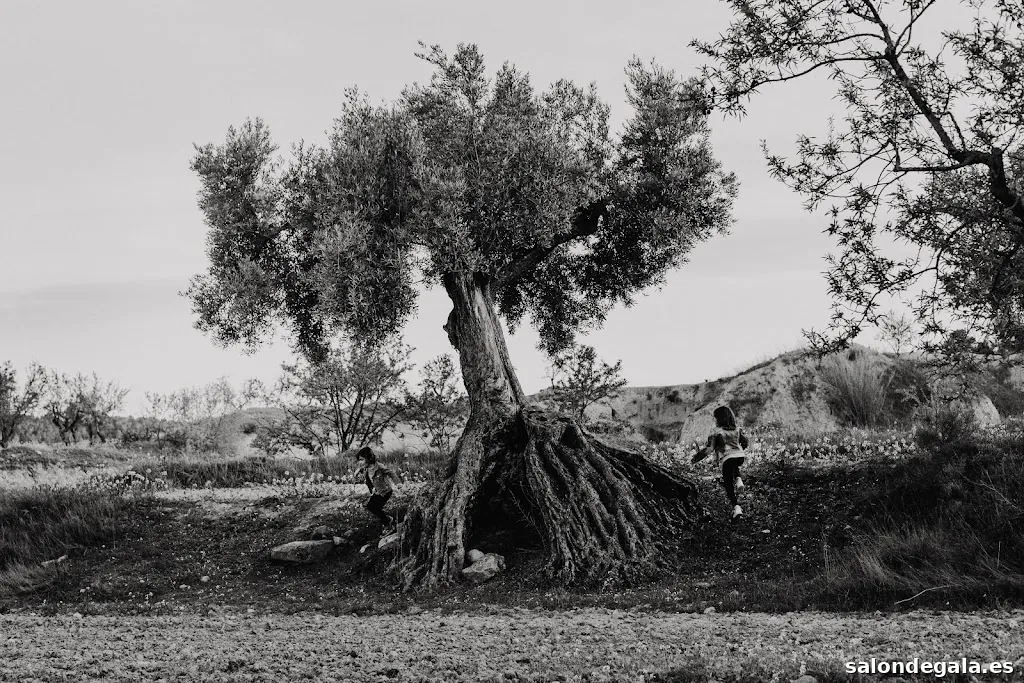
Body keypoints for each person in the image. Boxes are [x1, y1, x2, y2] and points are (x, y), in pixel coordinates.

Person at [692, 405, 749, 519]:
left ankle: (736, 507)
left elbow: (709, 449)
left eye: (715, 418)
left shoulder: (716, 431)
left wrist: (695, 459)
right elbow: (745, 442)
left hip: (727, 458)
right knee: (734, 464)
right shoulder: (737, 429)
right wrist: (738, 450)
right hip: (740, 457)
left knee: (728, 484)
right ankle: (738, 480)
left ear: (719, 418)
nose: (714, 420)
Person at [355, 445, 400, 532]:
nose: (359, 462)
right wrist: (357, 472)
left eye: (361, 460)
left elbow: (391, 473)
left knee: (375, 508)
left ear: (369, 458)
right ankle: (387, 518)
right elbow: (363, 474)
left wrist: (398, 484)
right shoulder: (366, 468)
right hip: (377, 491)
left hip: (385, 491)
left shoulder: (379, 467)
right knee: (370, 506)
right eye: (359, 460)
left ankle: (388, 525)